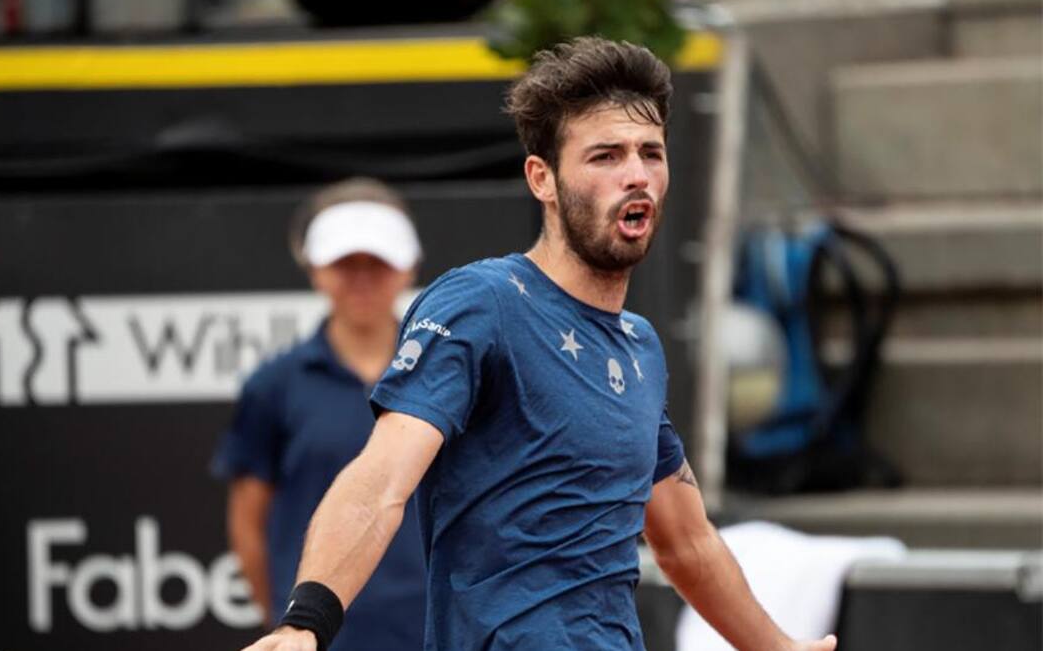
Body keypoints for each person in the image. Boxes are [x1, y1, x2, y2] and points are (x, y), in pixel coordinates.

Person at [240, 38, 839, 651]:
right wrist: (305, 622)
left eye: (650, 154)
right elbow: (383, 476)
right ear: (542, 179)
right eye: (605, 156)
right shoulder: (482, 303)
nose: (635, 175)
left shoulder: (639, 346)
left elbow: (686, 541)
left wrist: (781, 649)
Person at [212, 178, 427, 651]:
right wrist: (290, 623)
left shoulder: (447, 373)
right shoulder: (274, 385)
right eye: (345, 263)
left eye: (379, 262)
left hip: (438, 634)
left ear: (408, 267)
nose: (362, 278)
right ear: (315, 270)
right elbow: (249, 524)